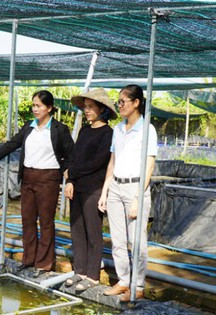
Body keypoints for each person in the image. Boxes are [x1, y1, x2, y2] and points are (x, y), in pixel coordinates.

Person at [0, 90, 74, 276]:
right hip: (28, 177)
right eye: (33, 105)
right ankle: (29, 259)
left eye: (39, 106)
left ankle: (44, 264)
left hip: (48, 179)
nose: (35, 109)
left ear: (49, 108)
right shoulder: (29, 127)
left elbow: (70, 155)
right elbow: (11, 144)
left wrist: (69, 177)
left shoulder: (60, 129)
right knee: (28, 220)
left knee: (45, 222)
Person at [98, 84, 157, 302]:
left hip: (135, 187)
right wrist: (105, 191)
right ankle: (123, 281)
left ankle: (137, 285)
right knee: (118, 239)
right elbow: (112, 162)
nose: (119, 105)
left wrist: (137, 199)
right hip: (116, 186)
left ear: (136, 103)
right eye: (119, 102)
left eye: (123, 101)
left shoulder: (147, 130)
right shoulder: (117, 130)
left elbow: (149, 166)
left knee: (137, 240)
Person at [63, 88, 116, 292]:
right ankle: (80, 271)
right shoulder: (84, 131)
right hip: (76, 187)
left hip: (94, 188)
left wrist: (72, 171)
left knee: (93, 232)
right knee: (77, 230)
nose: (87, 111)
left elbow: (98, 162)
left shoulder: (108, 134)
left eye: (91, 107)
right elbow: (75, 156)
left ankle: (93, 275)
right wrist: (70, 181)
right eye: (85, 107)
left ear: (102, 109)